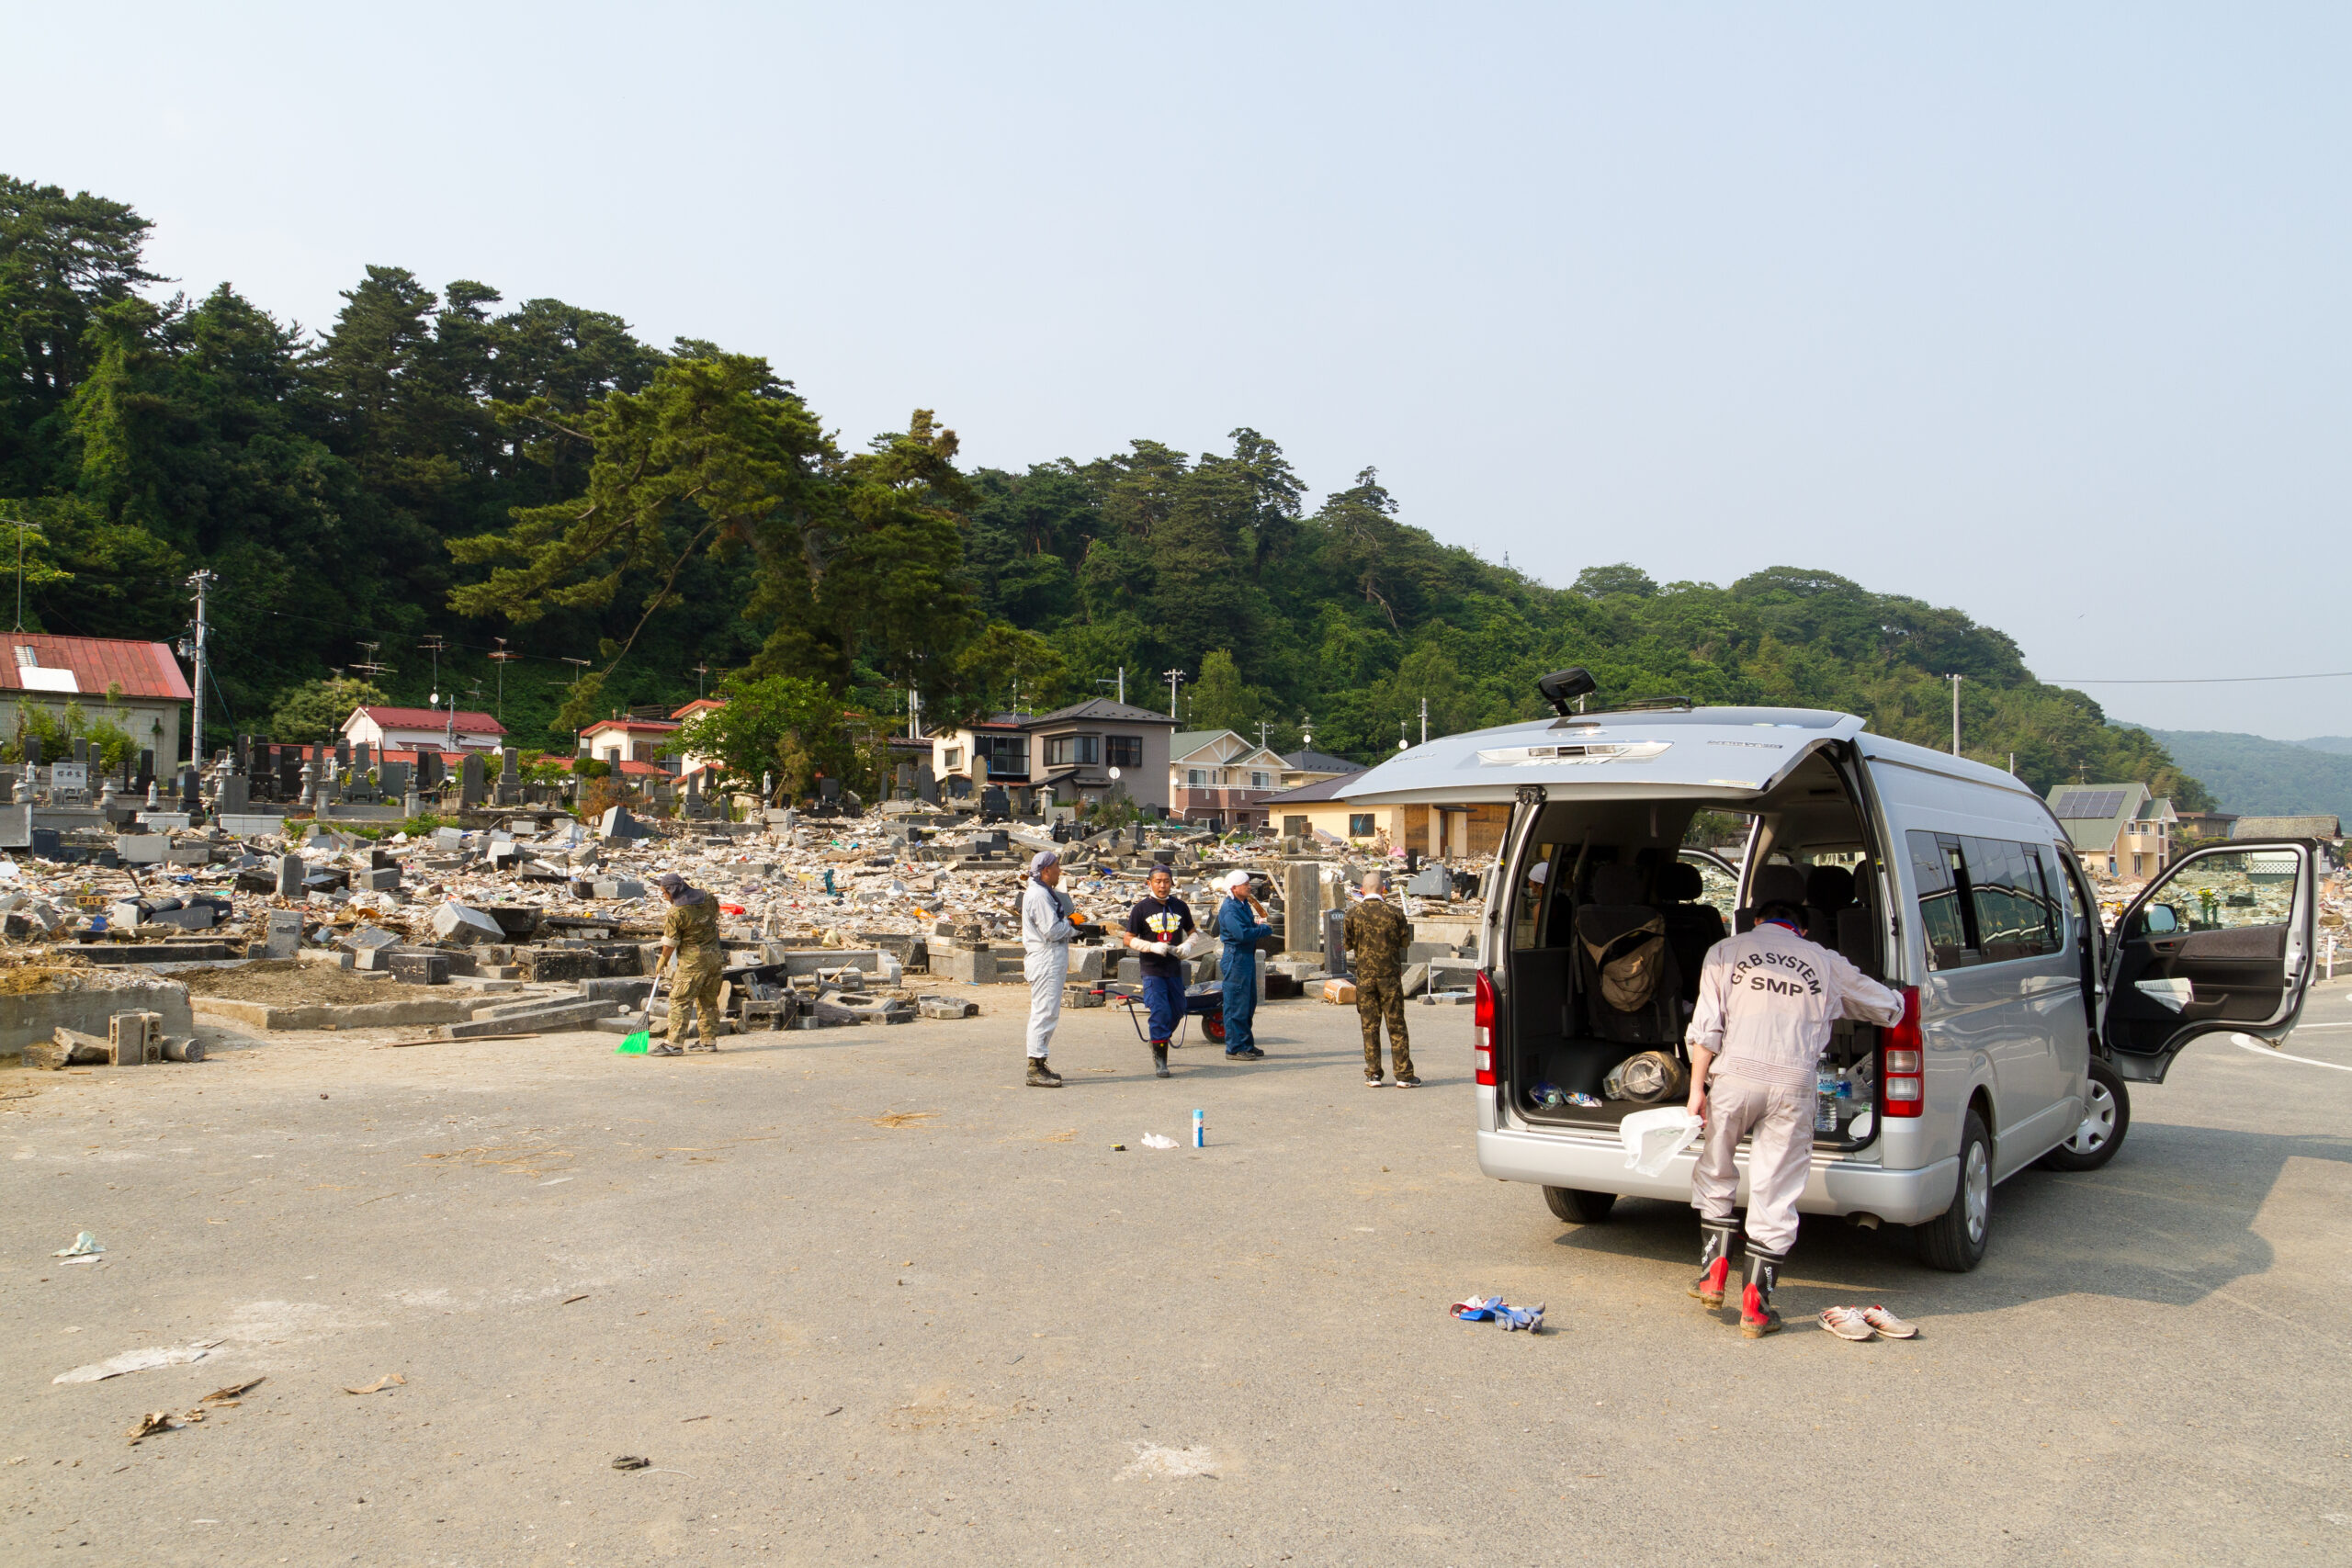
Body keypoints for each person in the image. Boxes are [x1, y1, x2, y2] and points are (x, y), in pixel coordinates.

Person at [1684, 863, 1904, 1337]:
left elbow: (1706, 1028)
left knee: (1716, 1166)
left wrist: (1696, 1090)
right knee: (1775, 1186)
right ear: (1802, 929)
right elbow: (1887, 1007)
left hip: (1733, 1077)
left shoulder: (1724, 951)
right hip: (1793, 1083)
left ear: (1756, 921)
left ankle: (1712, 1273)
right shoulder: (1823, 959)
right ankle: (1756, 1307)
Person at [1343, 868, 1419, 1087]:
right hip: (1390, 977)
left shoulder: (1352, 914)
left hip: (1365, 978)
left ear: (1361, 890)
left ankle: (1373, 1073)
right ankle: (1404, 1075)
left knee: (1369, 1025)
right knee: (1396, 1025)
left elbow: (1347, 945)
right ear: (1384, 889)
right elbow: (1405, 943)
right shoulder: (1395, 913)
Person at [1122, 862, 1194, 1078]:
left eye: (1166, 881)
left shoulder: (1180, 906)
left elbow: (1193, 932)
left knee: (1179, 1009)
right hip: (1152, 970)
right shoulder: (1141, 908)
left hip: (1174, 969)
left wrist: (1188, 946)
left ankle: (1158, 1040)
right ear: (1149, 883)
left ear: (1172, 882)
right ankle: (1161, 1059)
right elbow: (1128, 939)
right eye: (1158, 882)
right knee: (1160, 1011)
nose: (1162, 886)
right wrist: (1150, 946)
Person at [1020, 850, 1085, 1087]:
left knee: (1047, 1011)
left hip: (1049, 956)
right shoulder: (1038, 895)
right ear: (1046, 871)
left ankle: (1039, 1062)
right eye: (1057, 866)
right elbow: (1053, 930)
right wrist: (1071, 923)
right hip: (1046, 957)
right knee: (1044, 1012)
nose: (1060, 871)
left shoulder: (1041, 892)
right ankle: (1034, 1067)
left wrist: (1071, 927)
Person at [655, 872, 726, 1056]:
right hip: (715, 958)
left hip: (692, 962)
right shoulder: (708, 898)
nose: (664, 897)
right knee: (708, 1000)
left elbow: (670, 942)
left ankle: (674, 1044)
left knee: (680, 1000)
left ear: (672, 890)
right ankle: (708, 1041)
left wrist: (662, 960)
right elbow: (715, 916)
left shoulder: (676, 912)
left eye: (664, 893)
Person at [1215, 868, 1272, 1061]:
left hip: (1245, 956)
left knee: (1248, 1002)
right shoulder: (1230, 909)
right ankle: (1235, 1047)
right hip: (1236, 957)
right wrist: (1263, 930)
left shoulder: (1242, 904)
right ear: (1234, 888)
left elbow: (1248, 927)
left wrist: (1258, 928)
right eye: (1245, 884)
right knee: (1237, 1003)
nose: (1249, 887)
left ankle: (1246, 1043)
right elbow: (1242, 934)